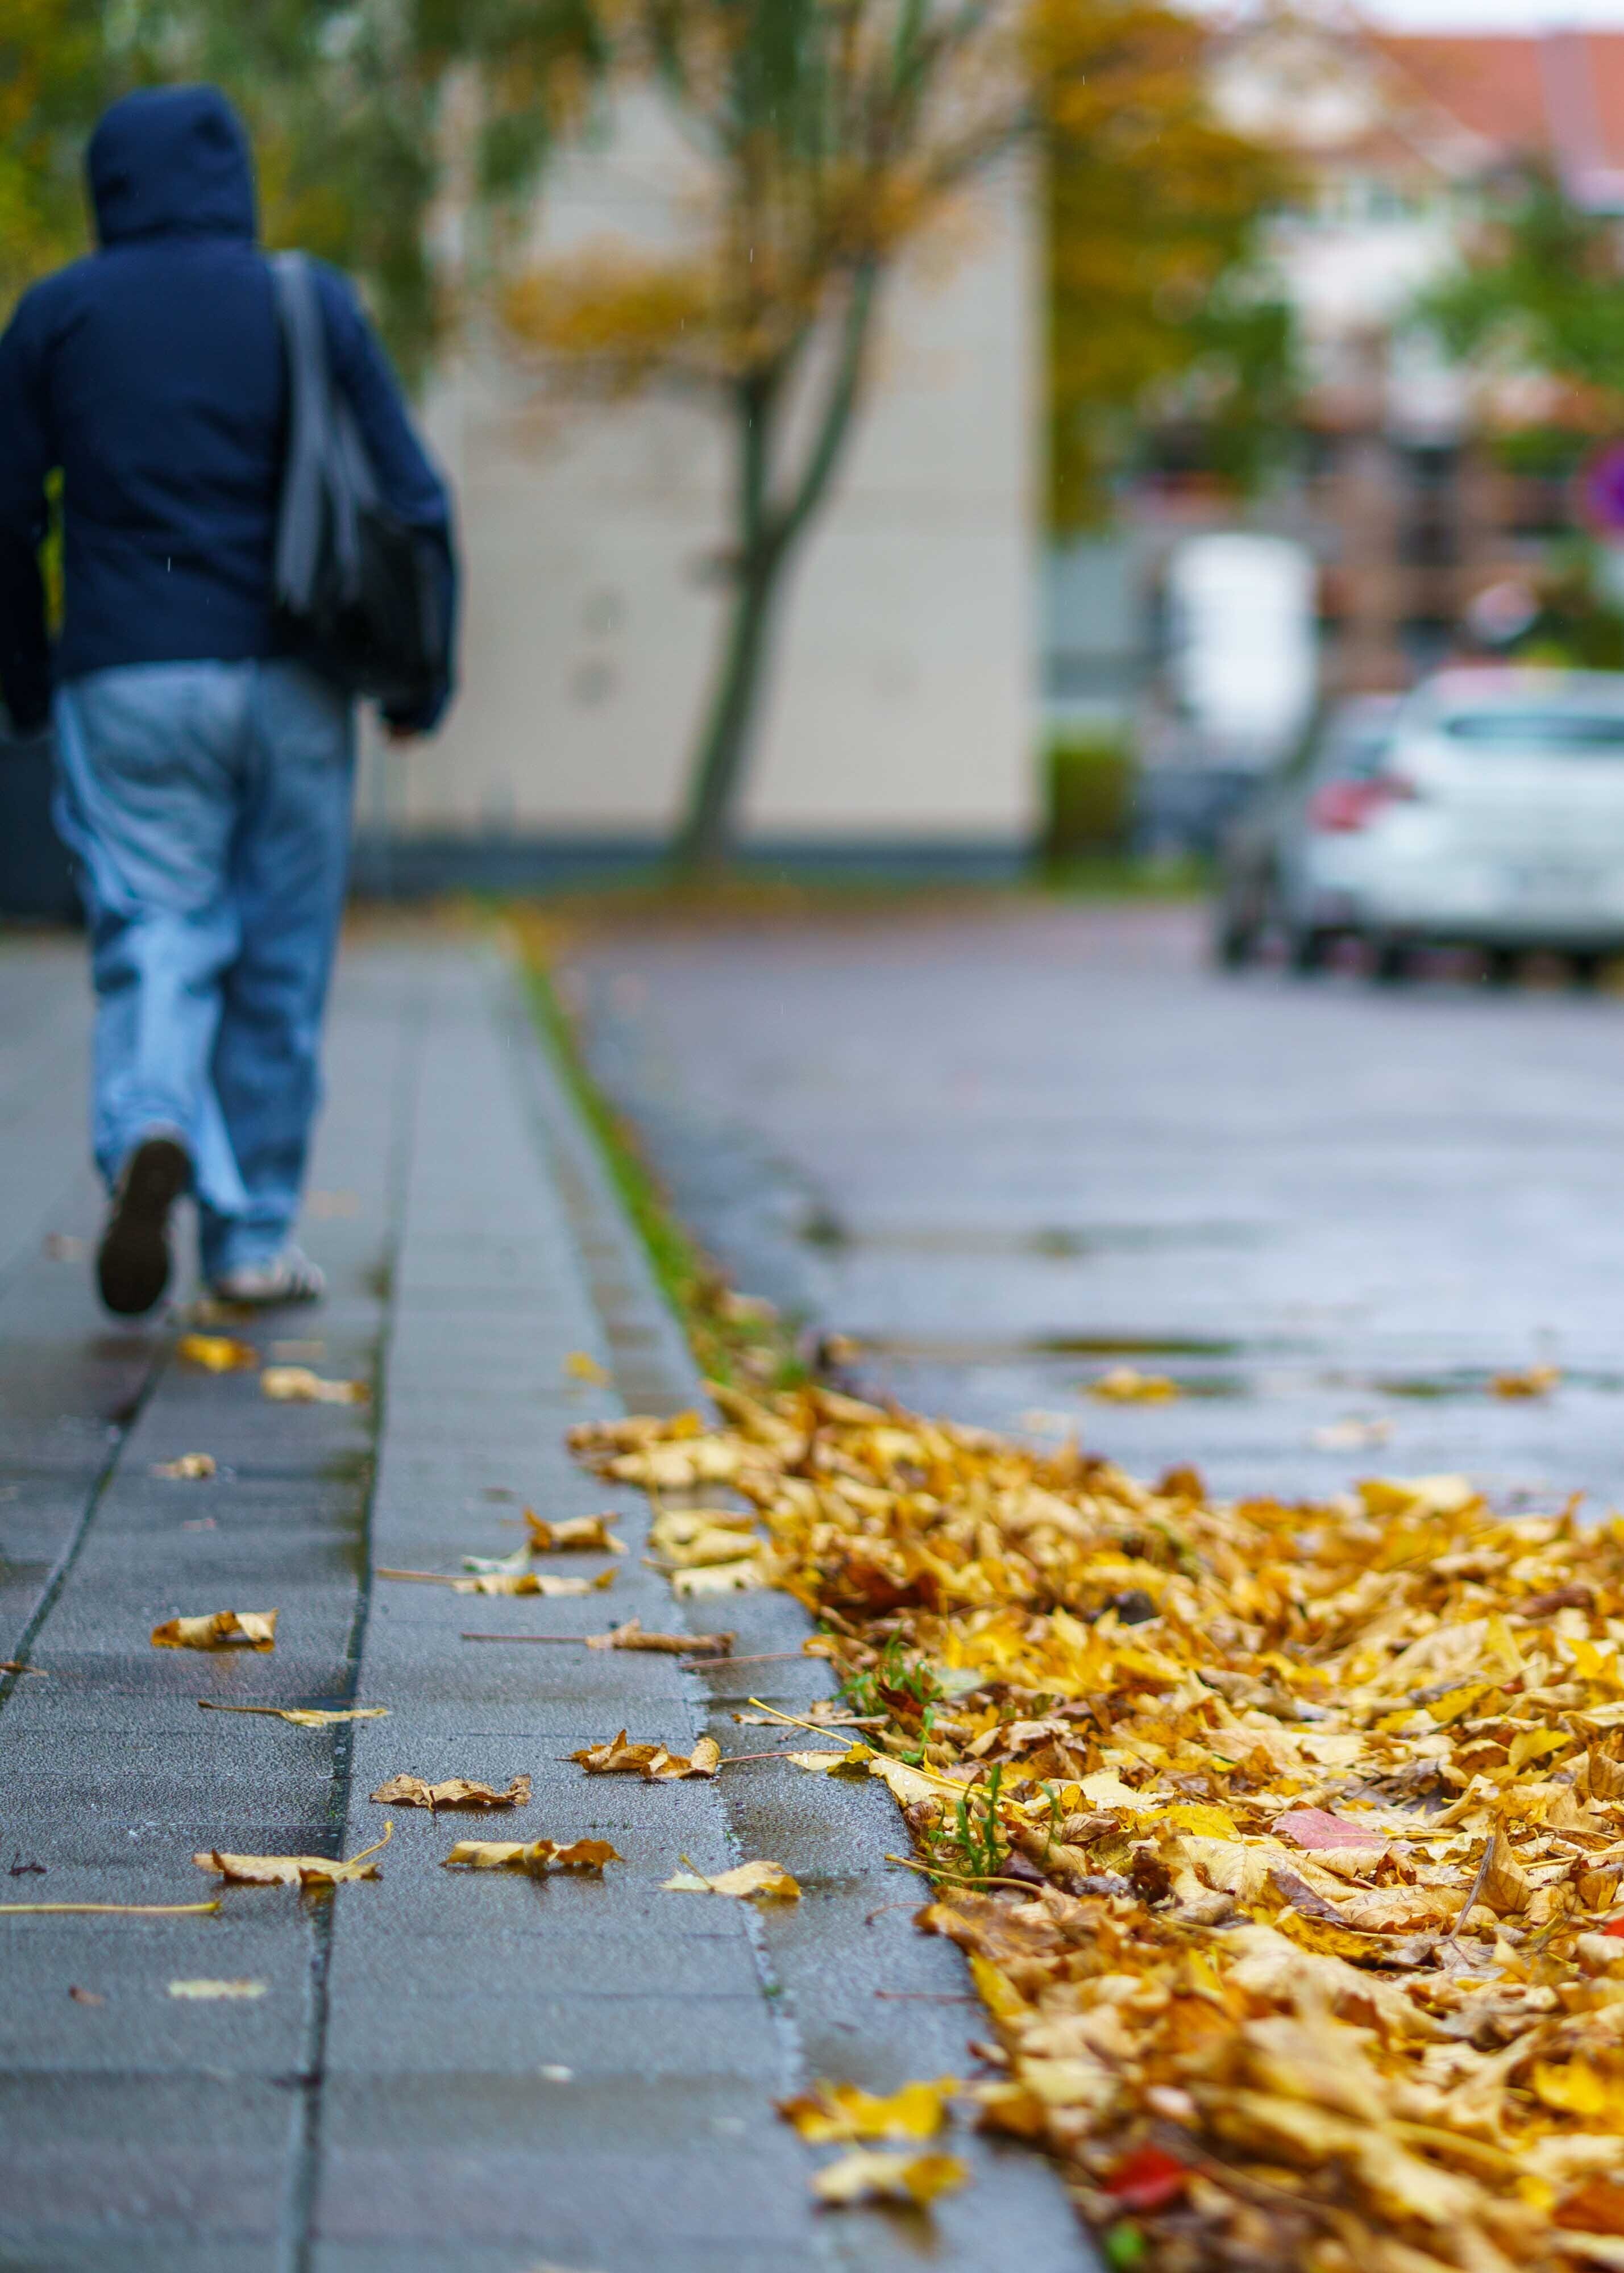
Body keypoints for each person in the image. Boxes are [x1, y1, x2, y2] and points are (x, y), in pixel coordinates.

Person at [0, 84, 456, 1316]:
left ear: (110, 185)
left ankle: (152, 1116)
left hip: (129, 672)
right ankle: (251, 1237)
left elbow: (4, 515)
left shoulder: (55, 317)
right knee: (282, 960)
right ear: (233, 181)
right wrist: (424, 679)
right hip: (295, 680)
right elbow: (415, 499)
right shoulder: (306, 302)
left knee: (159, 924)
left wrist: (25, 672)